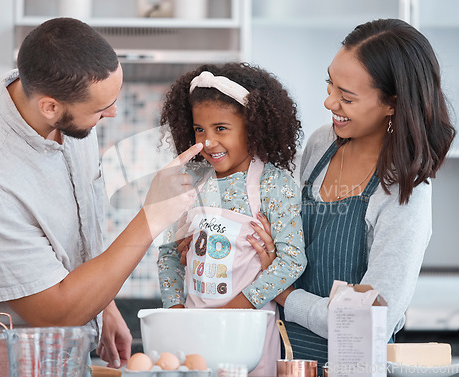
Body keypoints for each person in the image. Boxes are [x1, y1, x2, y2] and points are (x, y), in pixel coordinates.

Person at [0, 17, 202, 372]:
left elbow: (71, 239)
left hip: (61, 354)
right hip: (5, 363)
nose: (113, 113)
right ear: (50, 107)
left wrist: (104, 305)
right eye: (101, 110)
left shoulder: (54, 104)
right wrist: (153, 216)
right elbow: (57, 312)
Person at [253, 18, 456, 369]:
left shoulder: (404, 189)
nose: (329, 102)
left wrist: (286, 294)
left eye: (347, 97)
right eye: (329, 85)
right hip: (281, 358)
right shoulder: (322, 143)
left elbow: (372, 320)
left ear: (392, 103)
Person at [156, 63, 307, 377]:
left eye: (220, 128)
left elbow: (292, 260)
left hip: (246, 332)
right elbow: (169, 252)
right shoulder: (190, 182)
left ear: (253, 127)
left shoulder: (273, 184)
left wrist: (235, 308)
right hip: (193, 333)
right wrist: (175, 311)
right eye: (200, 129)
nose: (208, 141)